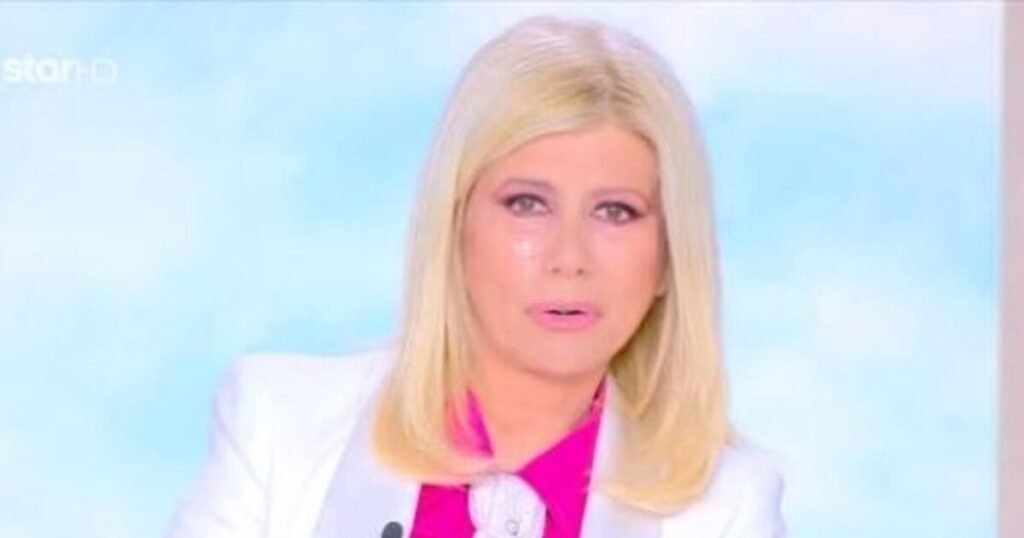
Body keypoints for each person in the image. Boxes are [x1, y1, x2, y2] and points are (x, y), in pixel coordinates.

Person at [167, 14, 786, 538]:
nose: (569, 257)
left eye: (615, 212)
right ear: (454, 224)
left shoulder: (727, 508)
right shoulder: (278, 425)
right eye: (527, 204)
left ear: (670, 257)